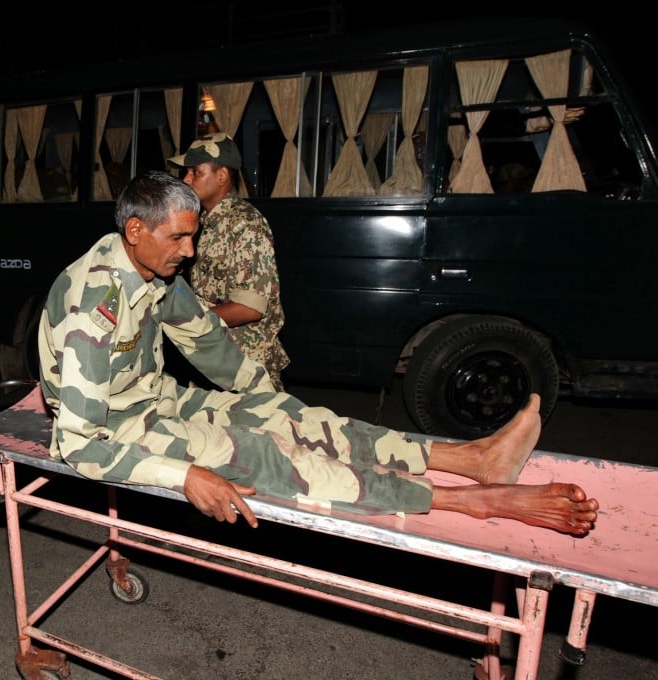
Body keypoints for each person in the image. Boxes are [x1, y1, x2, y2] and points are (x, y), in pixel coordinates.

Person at [37, 170, 598, 536]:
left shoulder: (153, 268)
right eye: (179, 239)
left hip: (156, 401)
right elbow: (78, 444)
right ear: (136, 229)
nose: (189, 252)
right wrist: (184, 475)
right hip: (117, 430)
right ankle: (469, 501)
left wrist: (265, 397)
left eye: (193, 236)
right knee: (268, 458)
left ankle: (470, 459)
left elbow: (203, 336)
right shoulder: (95, 304)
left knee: (302, 419)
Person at [167, 132, 290, 390]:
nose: (186, 180)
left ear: (222, 176)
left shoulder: (245, 224)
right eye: (185, 173)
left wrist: (188, 322)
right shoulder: (205, 222)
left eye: (195, 173)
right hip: (213, 358)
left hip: (243, 367)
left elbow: (250, 308)